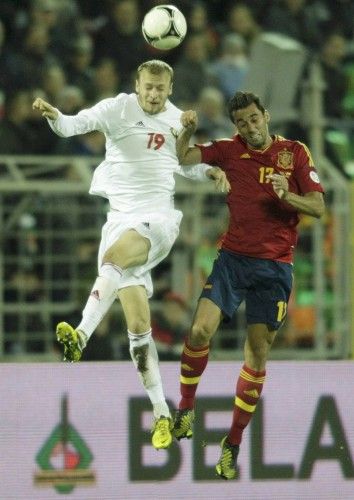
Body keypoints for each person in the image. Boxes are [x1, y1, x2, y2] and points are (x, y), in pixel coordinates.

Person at [32, 59, 229, 451]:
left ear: (169, 88)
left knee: (113, 261)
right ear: (136, 85)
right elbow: (73, 125)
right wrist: (55, 116)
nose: (154, 94)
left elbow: (187, 166)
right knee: (138, 328)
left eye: (161, 88)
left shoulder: (176, 121)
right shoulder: (116, 109)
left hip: (157, 219)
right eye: (148, 87)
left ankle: (81, 334)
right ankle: (161, 414)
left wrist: (212, 172)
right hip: (119, 220)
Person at [173, 91, 325, 479]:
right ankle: (186, 409)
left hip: (275, 269)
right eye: (242, 122)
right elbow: (183, 158)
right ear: (235, 126)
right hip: (233, 261)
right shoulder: (228, 150)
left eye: (254, 119)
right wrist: (184, 132)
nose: (250, 127)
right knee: (198, 329)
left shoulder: (295, 152)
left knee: (256, 355)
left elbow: (318, 207)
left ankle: (233, 443)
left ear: (266, 115)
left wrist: (285, 195)